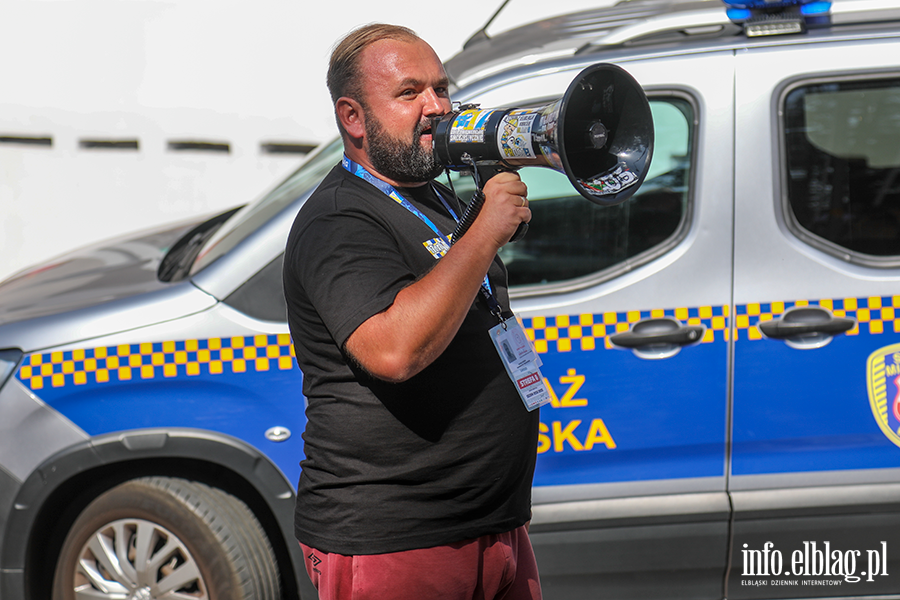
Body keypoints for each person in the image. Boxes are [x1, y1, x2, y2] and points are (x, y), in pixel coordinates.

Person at [283, 23, 543, 600]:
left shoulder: (432, 192)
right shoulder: (338, 219)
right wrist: (483, 235)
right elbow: (393, 350)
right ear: (352, 118)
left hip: (491, 525)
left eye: (440, 89)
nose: (436, 107)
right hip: (397, 541)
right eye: (409, 94)